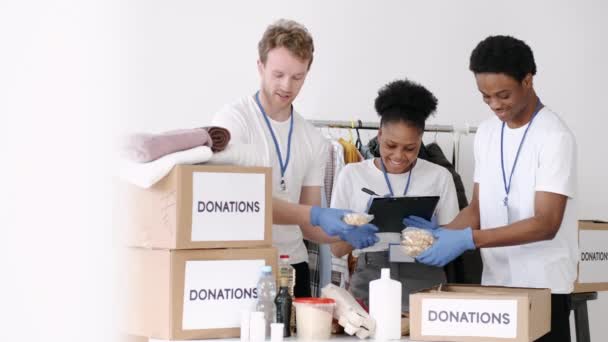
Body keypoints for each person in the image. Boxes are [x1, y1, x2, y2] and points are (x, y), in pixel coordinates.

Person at [406, 35, 577, 342]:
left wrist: (469, 240)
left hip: (544, 288)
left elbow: (547, 223)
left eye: (503, 95)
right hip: (495, 287)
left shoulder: (554, 137)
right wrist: (441, 234)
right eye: (486, 97)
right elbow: (477, 208)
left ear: (528, 80)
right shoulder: (486, 133)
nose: (495, 105)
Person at [211, 19, 378, 297]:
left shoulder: (311, 138)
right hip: (244, 264)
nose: (287, 85)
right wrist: (316, 214)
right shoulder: (233, 122)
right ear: (260, 67)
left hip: (294, 266)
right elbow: (241, 203)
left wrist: (344, 233)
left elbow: (308, 226)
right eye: (278, 74)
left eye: (297, 77)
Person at [330, 79, 459, 311]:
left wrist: (436, 234)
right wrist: (355, 235)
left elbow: (454, 246)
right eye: (391, 145)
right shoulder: (351, 175)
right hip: (370, 276)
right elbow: (336, 249)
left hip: (426, 277)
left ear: (421, 140)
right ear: (379, 135)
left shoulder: (440, 177)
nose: (399, 155)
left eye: (410, 148)